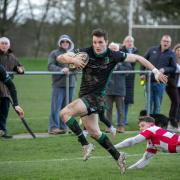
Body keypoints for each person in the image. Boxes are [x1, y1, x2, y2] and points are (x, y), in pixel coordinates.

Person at [56, 28, 167, 174]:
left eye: (100, 42)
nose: (97, 45)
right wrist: (72, 59)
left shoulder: (114, 55)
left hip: (95, 98)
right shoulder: (86, 52)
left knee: (64, 113)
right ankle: (118, 156)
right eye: (95, 42)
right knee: (95, 133)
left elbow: (139, 58)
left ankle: (84, 144)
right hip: (85, 96)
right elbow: (61, 57)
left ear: (106, 42)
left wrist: (155, 71)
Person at [114, 116, 180, 170]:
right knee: (146, 157)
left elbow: (132, 141)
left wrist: (113, 147)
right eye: (139, 127)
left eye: (142, 125)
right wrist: (129, 169)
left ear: (151, 124)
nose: (140, 129)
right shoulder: (151, 141)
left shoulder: (151, 129)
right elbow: (145, 160)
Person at [140, 35, 176, 114]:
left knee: (157, 104)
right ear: (161, 41)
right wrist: (142, 73)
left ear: (170, 43)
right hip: (148, 81)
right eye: (164, 41)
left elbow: (173, 68)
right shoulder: (152, 50)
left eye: (167, 41)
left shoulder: (171, 54)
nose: (165, 43)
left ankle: (156, 123)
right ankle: (148, 122)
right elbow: (142, 60)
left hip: (160, 83)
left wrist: (165, 69)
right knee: (148, 103)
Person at [48, 34, 76, 134]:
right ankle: (53, 127)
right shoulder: (54, 53)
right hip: (58, 84)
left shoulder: (73, 54)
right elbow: (50, 66)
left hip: (71, 84)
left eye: (67, 42)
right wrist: (61, 69)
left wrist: (71, 68)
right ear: (60, 43)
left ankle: (64, 127)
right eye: (63, 41)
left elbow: (77, 66)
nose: (65, 43)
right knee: (56, 107)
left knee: (68, 108)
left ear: (69, 43)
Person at [0, 37, 24, 138]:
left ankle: (3, 131)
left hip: (6, 89)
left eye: (6, 43)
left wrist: (20, 69)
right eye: (2, 43)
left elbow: (20, 67)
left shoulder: (12, 57)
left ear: (9, 45)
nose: (4, 45)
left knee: (4, 112)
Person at [106, 42, 132, 133]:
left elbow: (128, 70)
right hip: (108, 89)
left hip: (120, 89)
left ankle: (121, 126)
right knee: (108, 109)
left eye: (115, 49)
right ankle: (108, 126)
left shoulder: (123, 58)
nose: (113, 50)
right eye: (111, 48)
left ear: (118, 50)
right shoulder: (104, 59)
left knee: (120, 109)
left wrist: (118, 66)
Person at [120, 36, 138, 126]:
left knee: (127, 100)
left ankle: (125, 119)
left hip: (130, 79)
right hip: (121, 78)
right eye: (128, 41)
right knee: (120, 99)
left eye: (131, 41)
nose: (129, 43)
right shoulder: (120, 51)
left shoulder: (135, 51)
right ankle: (120, 119)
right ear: (124, 42)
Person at [174, 44, 180, 131]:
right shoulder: (173, 60)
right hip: (175, 86)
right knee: (177, 104)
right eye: (178, 50)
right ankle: (176, 123)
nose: (179, 52)